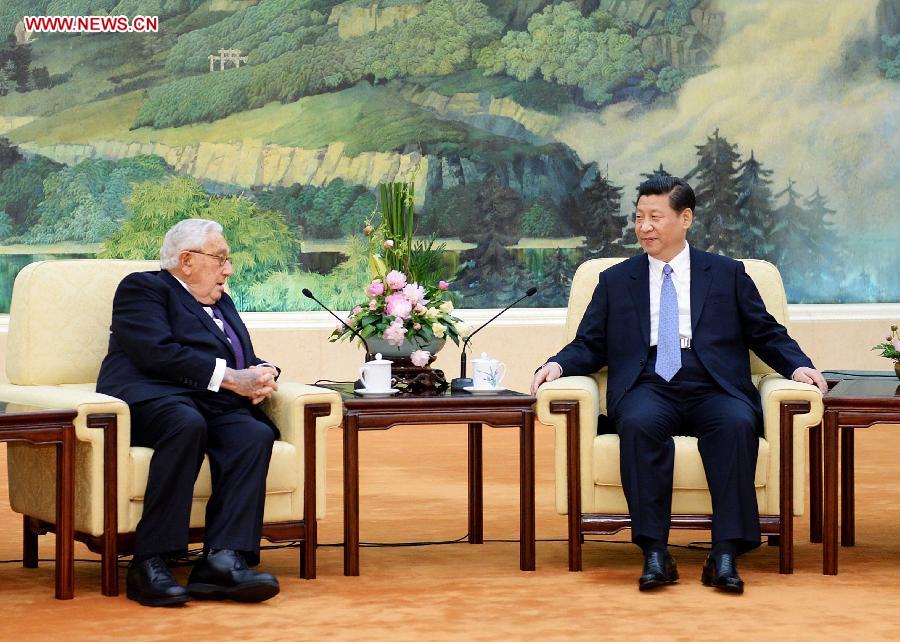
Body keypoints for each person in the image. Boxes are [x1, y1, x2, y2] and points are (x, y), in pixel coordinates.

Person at [531, 176, 827, 594]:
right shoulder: (616, 281)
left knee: (736, 425)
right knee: (637, 425)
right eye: (638, 218)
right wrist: (557, 365)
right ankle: (655, 552)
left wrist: (799, 367)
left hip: (713, 382)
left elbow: (765, 332)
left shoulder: (726, 274)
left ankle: (724, 554)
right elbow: (590, 343)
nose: (644, 227)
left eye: (655, 217)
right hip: (648, 380)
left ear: (685, 218)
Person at [97, 218, 283, 607]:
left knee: (254, 434)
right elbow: (156, 353)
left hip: (209, 399)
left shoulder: (222, 303)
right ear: (186, 260)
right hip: (151, 396)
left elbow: (241, 358)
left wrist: (265, 371)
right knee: (185, 424)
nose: (228, 270)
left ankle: (223, 560)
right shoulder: (145, 288)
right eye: (221, 259)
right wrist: (234, 379)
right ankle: (150, 561)